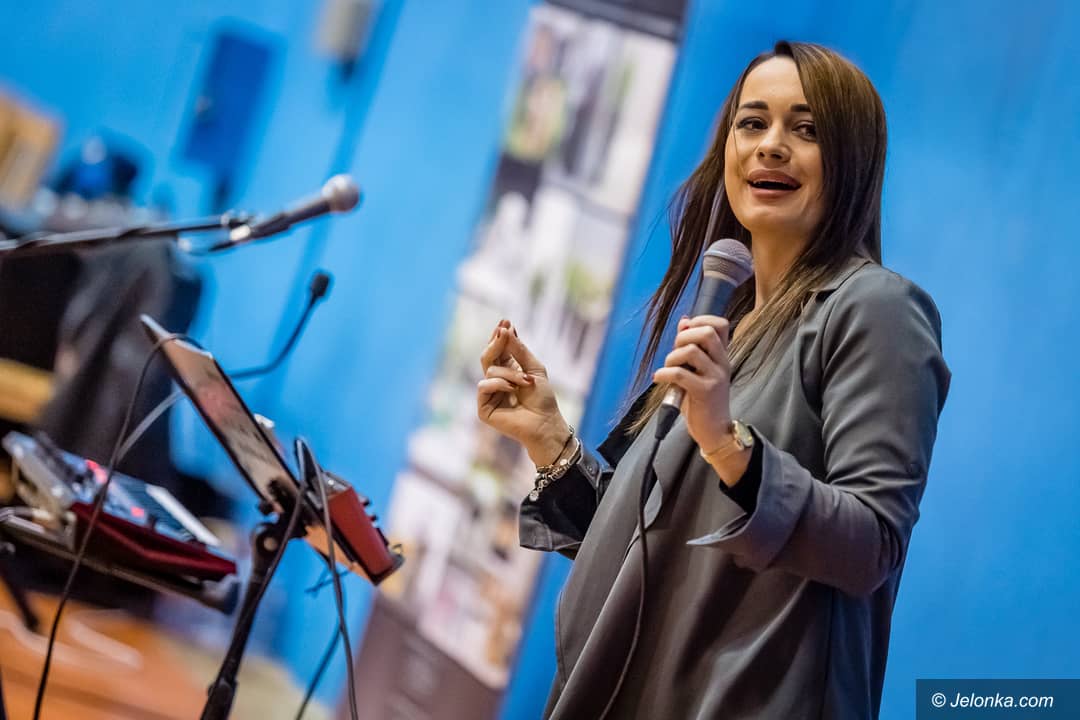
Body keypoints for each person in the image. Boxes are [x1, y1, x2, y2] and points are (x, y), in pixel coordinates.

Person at [477, 40, 950, 719]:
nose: (771, 146)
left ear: (852, 160)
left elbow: (872, 545)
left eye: (806, 129)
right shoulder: (730, 319)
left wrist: (729, 446)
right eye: (752, 123)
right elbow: (650, 545)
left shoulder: (876, 310)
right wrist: (551, 439)